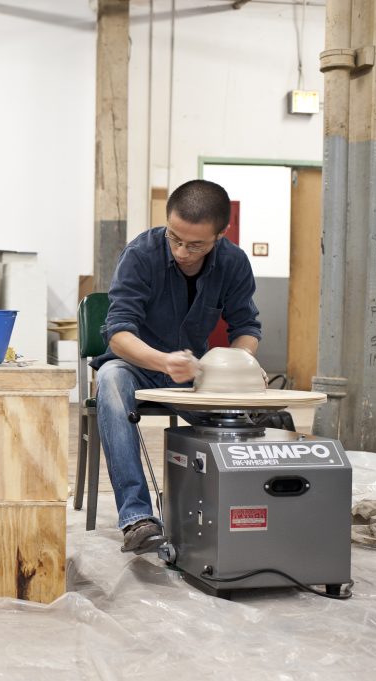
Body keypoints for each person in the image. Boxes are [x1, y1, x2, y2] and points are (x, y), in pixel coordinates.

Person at [90, 179, 261, 554]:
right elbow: (118, 333)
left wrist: (241, 364)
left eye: (196, 244)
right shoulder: (141, 254)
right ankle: (137, 517)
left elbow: (246, 327)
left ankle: (235, 509)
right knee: (110, 378)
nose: (182, 251)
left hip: (191, 373)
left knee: (249, 415)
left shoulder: (233, 263)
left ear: (221, 233)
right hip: (136, 364)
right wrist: (163, 361)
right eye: (175, 238)